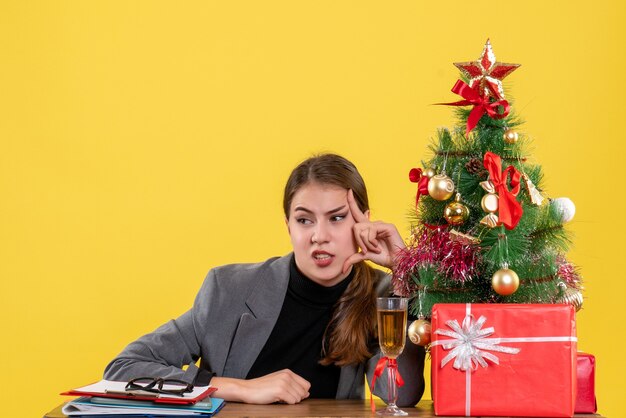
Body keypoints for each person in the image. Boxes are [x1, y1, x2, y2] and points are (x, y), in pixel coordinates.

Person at [104, 153, 425, 406]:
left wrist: (405, 274)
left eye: (337, 218)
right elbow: (124, 369)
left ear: (364, 222)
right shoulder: (228, 288)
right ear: (289, 225)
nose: (319, 236)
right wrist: (238, 388)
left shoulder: (383, 293)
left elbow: (403, 394)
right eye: (304, 220)